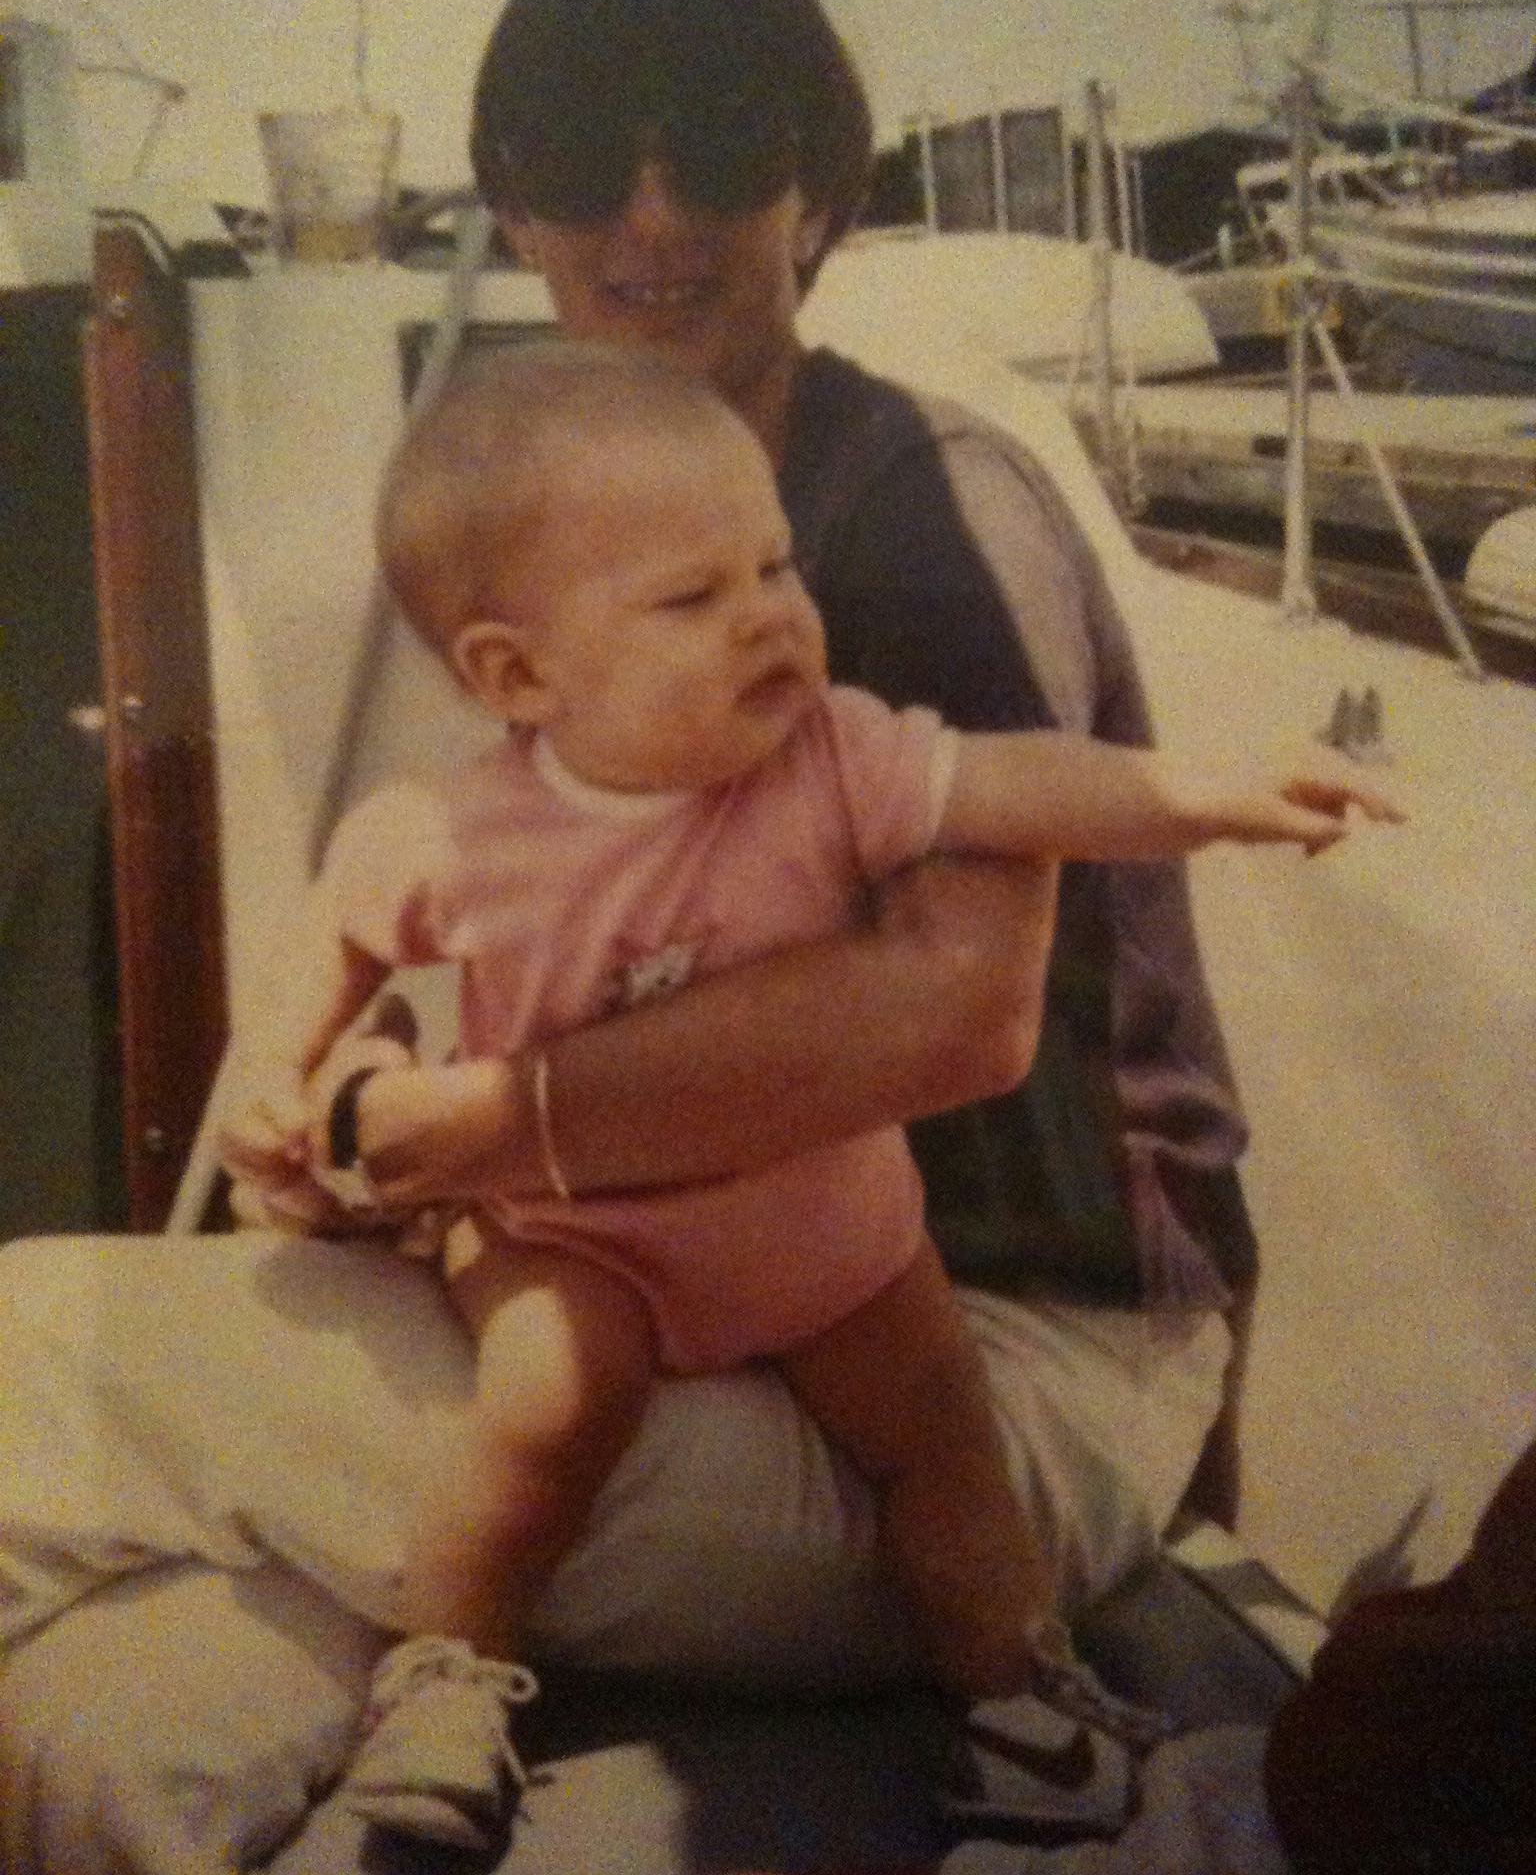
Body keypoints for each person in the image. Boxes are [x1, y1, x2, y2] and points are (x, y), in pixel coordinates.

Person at [225, 339, 1397, 1854]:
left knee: (944, 1437)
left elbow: (1030, 782)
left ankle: (1017, 1702)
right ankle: (443, 1684)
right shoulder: (457, 833)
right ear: (516, 675)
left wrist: (1217, 796)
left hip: (819, 1229)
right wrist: (279, 1073)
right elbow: (338, 927)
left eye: (774, 565)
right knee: (543, 1415)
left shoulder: (835, 759)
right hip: (580, 1235)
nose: (770, 616)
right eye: (692, 599)